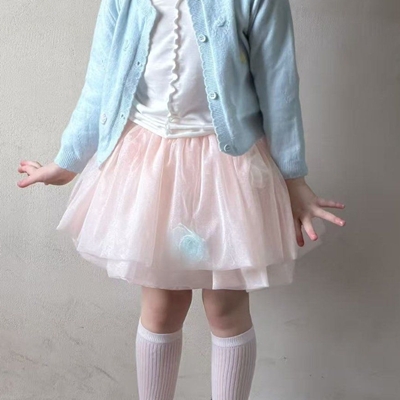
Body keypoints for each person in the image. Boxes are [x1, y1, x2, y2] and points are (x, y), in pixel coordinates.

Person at [17, 0, 346, 398]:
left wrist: (294, 178)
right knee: (161, 306)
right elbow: (101, 80)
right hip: (151, 169)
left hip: (228, 170)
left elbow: (279, 84)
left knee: (225, 308)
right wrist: (67, 161)